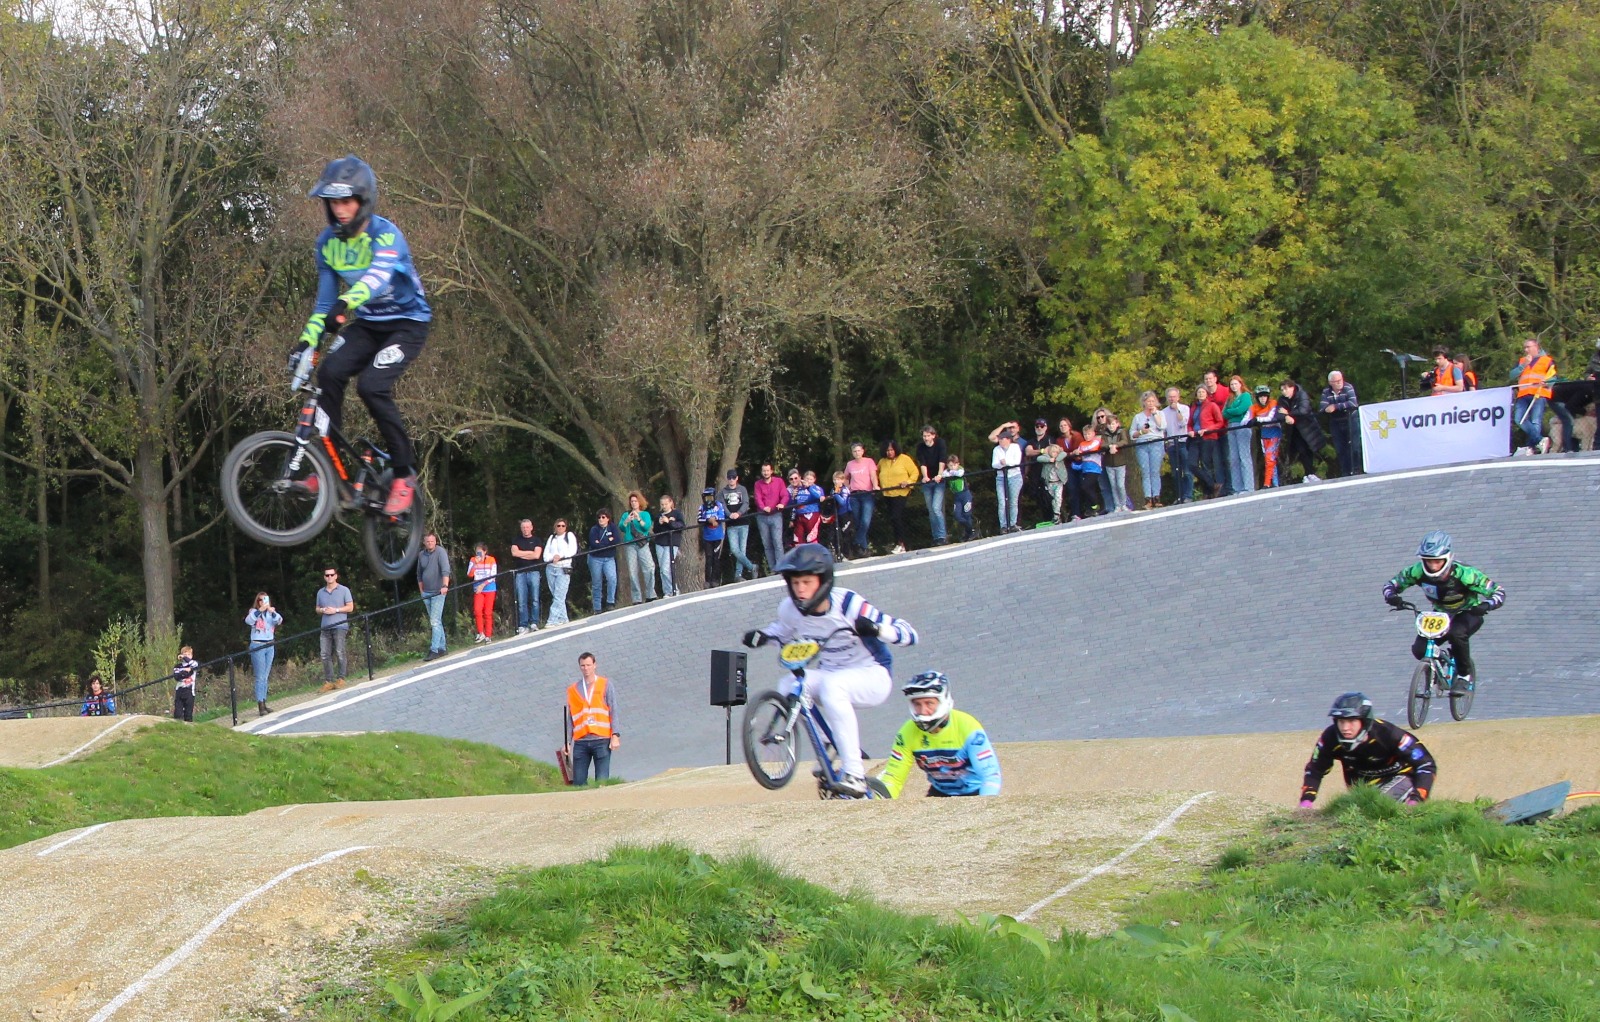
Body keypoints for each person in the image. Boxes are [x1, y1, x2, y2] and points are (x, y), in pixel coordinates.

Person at [288, 156, 430, 515]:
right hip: (367, 324)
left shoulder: (386, 234)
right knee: (330, 373)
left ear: (363, 200)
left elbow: (375, 278)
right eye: (334, 202)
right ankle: (330, 469)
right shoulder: (326, 244)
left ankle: (404, 473)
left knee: (372, 386)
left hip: (406, 324)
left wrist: (345, 304)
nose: (340, 209)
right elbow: (323, 304)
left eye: (346, 201)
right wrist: (308, 340)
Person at [742, 543, 918, 796]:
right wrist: (762, 636)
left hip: (873, 674)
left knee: (834, 688)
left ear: (823, 581)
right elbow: (780, 632)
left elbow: (909, 633)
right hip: (831, 675)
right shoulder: (790, 610)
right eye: (795, 583)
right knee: (788, 685)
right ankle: (830, 744)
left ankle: (855, 773)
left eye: (806, 582)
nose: (800, 590)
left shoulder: (849, 604)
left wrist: (879, 630)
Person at [1382, 530, 1505, 691]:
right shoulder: (1417, 571)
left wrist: (1486, 605)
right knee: (1419, 649)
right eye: (1428, 561)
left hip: (1469, 612)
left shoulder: (1465, 574)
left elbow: (1499, 592)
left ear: (1447, 558)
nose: (1433, 566)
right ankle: (1439, 665)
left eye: (1437, 561)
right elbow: (1390, 585)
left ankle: (1464, 676)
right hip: (1441, 615)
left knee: (1457, 633)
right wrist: (1392, 596)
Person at [878, 672, 1002, 798]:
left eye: (929, 703)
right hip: (940, 793)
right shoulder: (906, 733)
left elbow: (990, 775)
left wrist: (985, 806)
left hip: (975, 792)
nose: (923, 711)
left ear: (944, 701)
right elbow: (893, 778)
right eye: (917, 704)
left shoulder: (968, 727)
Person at [1300, 693, 1435, 807]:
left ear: (1364, 721)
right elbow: (1315, 769)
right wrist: (1306, 801)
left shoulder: (1388, 734)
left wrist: (1416, 799)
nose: (1345, 728)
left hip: (1399, 779)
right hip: (1362, 790)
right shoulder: (1330, 737)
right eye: (1341, 721)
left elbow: (1426, 764)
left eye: (1351, 721)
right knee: (1354, 811)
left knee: (1376, 805)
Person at [564, 652, 620, 785]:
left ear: (595, 665)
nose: (586, 668)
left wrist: (615, 735)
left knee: (601, 781)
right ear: (579, 667)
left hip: (601, 739)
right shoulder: (573, 690)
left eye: (588, 665)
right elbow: (571, 718)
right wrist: (568, 742)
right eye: (583, 666)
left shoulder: (605, 684)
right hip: (581, 741)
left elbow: (613, 710)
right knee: (578, 782)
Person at [1511, 336, 1558, 454]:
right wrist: (1523, 366)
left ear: (1536, 347)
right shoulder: (1522, 361)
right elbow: (1512, 375)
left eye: (1528, 347)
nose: (1526, 350)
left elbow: (1553, 377)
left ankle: (1531, 447)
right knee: (1519, 419)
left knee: (1535, 421)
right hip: (1523, 393)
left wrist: (1547, 383)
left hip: (1539, 393)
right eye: (1525, 347)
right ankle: (1540, 440)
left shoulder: (1547, 360)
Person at [1278, 379, 1325, 483]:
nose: (1283, 392)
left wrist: (1289, 413)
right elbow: (1279, 413)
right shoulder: (1282, 399)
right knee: (1301, 450)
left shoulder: (1302, 395)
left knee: (1309, 449)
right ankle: (1309, 474)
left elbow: (1303, 410)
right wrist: (1286, 416)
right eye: (1282, 390)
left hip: (1307, 427)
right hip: (1294, 430)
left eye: (1285, 389)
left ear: (1292, 387)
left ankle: (1310, 473)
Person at [245, 592, 283, 715]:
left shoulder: (270, 614)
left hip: (269, 644)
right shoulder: (254, 612)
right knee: (260, 676)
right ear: (258, 602)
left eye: (265, 600)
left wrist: (272, 612)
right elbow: (249, 621)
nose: (263, 602)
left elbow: (279, 620)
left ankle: (264, 702)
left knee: (265, 676)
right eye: (260, 600)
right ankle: (260, 704)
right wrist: (259, 610)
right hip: (258, 645)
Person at [877, 440, 918, 553]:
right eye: (887, 450)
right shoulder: (882, 461)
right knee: (893, 519)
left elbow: (914, 472)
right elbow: (876, 473)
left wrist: (908, 481)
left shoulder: (904, 459)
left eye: (891, 450)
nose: (889, 452)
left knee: (896, 516)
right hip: (887, 493)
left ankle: (901, 543)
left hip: (901, 492)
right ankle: (900, 543)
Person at [417, 532, 453, 660]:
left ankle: (434, 649)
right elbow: (419, 574)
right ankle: (442, 647)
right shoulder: (421, 555)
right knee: (437, 621)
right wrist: (421, 591)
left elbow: (445, 570)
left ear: (435, 541)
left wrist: (444, 586)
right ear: (424, 542)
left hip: (438, 592)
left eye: (432, 541)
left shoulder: (440, 552)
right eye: (428, 541)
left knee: (434, 621)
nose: (430, 543)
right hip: (426, 592)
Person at [317, 567, 353, 691]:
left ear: (336, 576)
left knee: (339, 651)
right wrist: (322, 610)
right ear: (324, 577)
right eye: (327, 575)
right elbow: (317, 608)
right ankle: (329, 681)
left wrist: (336, 610)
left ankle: (341, 678)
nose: (329, 577)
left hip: (340, 626)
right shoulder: (320, 592)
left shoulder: (344, 590)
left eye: (332, 575)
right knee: (324, 654)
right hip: (325, 626)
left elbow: (350, 607)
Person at [618, 491, 657, 604]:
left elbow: (646, 527)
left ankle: (650, 594)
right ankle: (636, 598)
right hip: (630, 544)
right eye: (632, 501)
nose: (634, 503)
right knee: (632, 571)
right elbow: (622, 528)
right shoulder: (626, 515)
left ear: (640, 502)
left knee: (649, 568)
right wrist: (626, 521)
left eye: (635, 501)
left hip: (642, 544)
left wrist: (639, 518)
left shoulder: (645, 514)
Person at [1130, 391, 1167, 509]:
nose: (1150, 404)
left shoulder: (1160, 413)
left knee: (1155, 471)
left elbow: (1162, 426)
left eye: (1152, 401)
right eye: (1148, 402)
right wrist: (1141, 432)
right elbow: (1132, 434)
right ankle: (1148, 499)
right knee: (1145, 472)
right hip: (1142, 444)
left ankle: (1157, 497)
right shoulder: (1138, 417)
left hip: (1156, 442)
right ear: (1144, 403)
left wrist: (1155, 413)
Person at [720, 468, 758, 582]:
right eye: (729, 478)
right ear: (727, 479)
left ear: (737, 478)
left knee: (742, 549)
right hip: (731, 524)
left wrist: (739, 513)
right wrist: (729, 514)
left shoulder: (742, 489)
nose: (731, 480)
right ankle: (752, 567)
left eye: (733, 477)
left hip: (743, 523)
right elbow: (722, 505)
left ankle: (738, 574)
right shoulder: (722, 492)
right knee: (734, 549)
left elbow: (746, 503)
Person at [753, 461, 790, 572]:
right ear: (761, 472)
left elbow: (785, 495)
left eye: (768, 470)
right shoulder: (758, 484)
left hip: (776, 515)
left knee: (777, 541)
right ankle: (773, 568)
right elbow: (757, 498)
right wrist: (763, 507)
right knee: (767, 543)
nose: (766, 473)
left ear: (771, 471)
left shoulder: (779, 482)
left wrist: (782, 504)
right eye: (764, 471)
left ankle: (781, 566)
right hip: (762, 517)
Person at [1321, 371, 1360, 477]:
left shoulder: (1348, 387)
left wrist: (1336, 407)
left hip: (1350, 419)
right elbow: (1323, 407)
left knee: (1354, 447)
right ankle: (1345, 472)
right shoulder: (1326, 392)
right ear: (1330, 382)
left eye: (1340, 380)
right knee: (1340, 448)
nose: (1339, 383)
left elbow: (1353, 403)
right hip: (1336, 422)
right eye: (1336, 381)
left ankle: (1356, 470)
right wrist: (1332, 408)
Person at [915, 425, 950, 545]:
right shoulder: (920, 447)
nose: (926, 438)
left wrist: (940, 475)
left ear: (933, 435)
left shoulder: (940, 443)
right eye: (924, 436)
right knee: (931, 510)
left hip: (938, 480)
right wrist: (925, 476)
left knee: (936, 507)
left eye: (928, 435)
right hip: (928, 481)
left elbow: (942, 459)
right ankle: (936, 537)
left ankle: (942, 536)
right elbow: (922, 462)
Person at [843, 443, 879, 557]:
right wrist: (848, 487)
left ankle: (856, 542)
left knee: (865, 521)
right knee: (858, 522)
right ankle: (863, 549)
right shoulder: (850, 464)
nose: (857, 453)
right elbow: (845, 477)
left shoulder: (869, 461)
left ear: (862, 451)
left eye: (859, 451)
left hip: (867, 493)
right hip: (854, 495)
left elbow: (873, 475)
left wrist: (875, 485)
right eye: (854, 451)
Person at [508, 519, 543, 634]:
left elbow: (537, 555)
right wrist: (529, 553)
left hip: (534, 572)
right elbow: (514, 553)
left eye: (527, 527)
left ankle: (534, 623)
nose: (525, 529)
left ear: (532, 527)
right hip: (520, 573)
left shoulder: (537, 540)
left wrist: (521, 553)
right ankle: (523, 625)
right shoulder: (516, 540)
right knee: (522, 600)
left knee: (535, 599)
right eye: (523, 527)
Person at [1223, 376, 1255, 494]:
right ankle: (1237, 488)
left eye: (1235, 384)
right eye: (1232, 384)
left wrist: (1232, 411)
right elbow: (1224, 413)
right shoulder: (1230, 398)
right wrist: (1232, 411)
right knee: (1234, 458)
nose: (1234, 386)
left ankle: (1248, 487)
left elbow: (1241, 410)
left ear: (1240, 384)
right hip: (1231, 427)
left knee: (1244, 456)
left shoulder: (1246, 396)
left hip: (1242, 426)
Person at [1249, 385, 1285, 487]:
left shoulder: (1273, 403)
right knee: (1269, 460)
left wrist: (1257, 420)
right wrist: (1250, 421)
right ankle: (1276, 484)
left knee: (1270, 458)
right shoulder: (1254, 407)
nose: (1263, 398)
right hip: (1264, 435)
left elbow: (1270, 417)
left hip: (1275, 433)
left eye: (1265, 396)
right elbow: (1246, 419)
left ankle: (1267, 483)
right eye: (1260, 396)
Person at [543, 519, 578, 625]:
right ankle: (563, 618)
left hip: (563, 568)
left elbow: (572, 550)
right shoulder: (551, 538)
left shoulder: (569, 536)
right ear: (555, 527)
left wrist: (560, 556)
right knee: (556, 595)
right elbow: (545, 554)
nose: (561, 527)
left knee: (559, 594)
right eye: (558, 526)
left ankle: (552, 620)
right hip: (551, 568)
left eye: (563, 526)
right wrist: (552, 558)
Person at [1190, 384, 1222, 497]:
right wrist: (1190, 431)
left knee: (1205, 464)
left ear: (1207, 393)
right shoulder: (1193, 407)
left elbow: (1219, 422)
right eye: (1199, 392)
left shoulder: (1212, 405)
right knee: (1192, 464)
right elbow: (1190, 424)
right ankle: (1213, 485)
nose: (1201, 394)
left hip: (1208, 437)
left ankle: (1208, 492)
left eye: (1203, 392)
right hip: (1195, 438)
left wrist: (1207, 429)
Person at [1097, 408, 1132, 513]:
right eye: (1109, 424)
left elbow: (1125, 441)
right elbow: (1102, 444)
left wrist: (1115, 445)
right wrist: (1110, 446)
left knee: (1120, 485)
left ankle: (1124, 504)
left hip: (1120, 462)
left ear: (1117, 424)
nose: (1111, 426)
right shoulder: (1104, 434)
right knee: (1113, 485)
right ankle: (1117, 505)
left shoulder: (1121, 431)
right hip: (1109, 463)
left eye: (1113, 424)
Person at [990, 427, 1024, 533]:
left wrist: (1005, 462)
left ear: (1008, 439)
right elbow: (994, 464)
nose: (1000, 441)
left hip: (1015, 476)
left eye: (1002, 439)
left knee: (1013, 501)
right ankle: (1003, 526)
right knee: (1002, 502)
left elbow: (1016, 462)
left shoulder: (1015, 447)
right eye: (999, 439)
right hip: (1001, 477)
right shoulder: (996, 450)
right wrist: (1002, 463)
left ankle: (1012, 523)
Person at [587, 510, 620, 614]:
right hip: (595, 558)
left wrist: (602, 543)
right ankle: (597, 607)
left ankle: (610, 602)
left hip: (609, 558)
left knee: (612, 578)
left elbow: (617, 540)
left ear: (608, 518)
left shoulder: (612, 527)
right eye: (599, 517)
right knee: (597, 582)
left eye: (603, 517)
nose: (601, 519)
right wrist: (608, 541)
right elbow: (594, 543)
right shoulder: (594, 529)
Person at [1022, 418, 1055, 521]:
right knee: (1039, 496)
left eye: (1042, 426)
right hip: (1035, 472)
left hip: (1048, 470)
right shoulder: (1031, 441)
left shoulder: (1050, 439)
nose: (1039, 428)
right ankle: (1046, 519)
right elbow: (1028, 452)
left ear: (1046, 427)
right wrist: (1042, 450)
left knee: (1051, 495)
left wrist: (1038, 451)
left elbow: (1051, 451)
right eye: (1037, 426)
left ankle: (1056, 516)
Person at [652, 494, 684, 597]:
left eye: (666, 504)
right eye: (662, 504)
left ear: (670, 503)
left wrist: (669, 521)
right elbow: (655, 530)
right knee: (662, 569)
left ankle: (674, 589)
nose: (664, 506)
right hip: (660, 543)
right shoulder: (658, 515)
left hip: (671, 543)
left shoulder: (677, 513)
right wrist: (659, 523)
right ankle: (667, 591)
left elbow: (681, 526)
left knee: (666, 567)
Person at [467, 542, 499, 643]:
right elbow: (469, 574)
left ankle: (488, 635)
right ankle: (481, 632)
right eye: (477, 552)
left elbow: (493, 576)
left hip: (489, 588)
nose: (478, 555)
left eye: (480, 552)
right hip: (478, 588)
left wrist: (482, 585)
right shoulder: (473, 560)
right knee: (477, 610)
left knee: (488, 612)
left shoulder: (491, 560)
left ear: (485, 552)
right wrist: (475, 564)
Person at [697, 487, 728, 588]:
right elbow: (699, 519)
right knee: (708, 558)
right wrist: (708, 520)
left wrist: (715, 519)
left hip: (717, 536)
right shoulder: (701, 507)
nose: (708, 500)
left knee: (716, 558)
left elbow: (722, 517)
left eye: (710, 497)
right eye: (706, 498)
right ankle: (707, 580)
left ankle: (715, 580)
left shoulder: (719, 506)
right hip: (707, 537)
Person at [942, 454, 974, 540]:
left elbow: (960, 474)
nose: (952, 467)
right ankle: (970, 529)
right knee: (957, 515)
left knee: (967, 514)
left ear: (958, 464)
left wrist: (952, 472)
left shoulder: (960, 469)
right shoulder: (947, 471)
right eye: (950, 465)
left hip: (965, 494)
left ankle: (969, 533)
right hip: (957, 496)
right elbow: (944, 474)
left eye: (954, 465)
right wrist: (950, 472)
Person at [825, 471, 855, 558]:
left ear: (842, 480)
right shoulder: (833, 489)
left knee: (846, 534)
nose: (836, 481)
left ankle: (848, 554)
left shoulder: (845, 490)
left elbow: (842, 502)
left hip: (846, 515)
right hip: (837, 515)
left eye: (838, 479)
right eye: (834, 479)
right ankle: (839, 553)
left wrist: (836, 495)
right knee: (836, 535)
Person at [792, 470, 825, 545]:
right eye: (807, 479)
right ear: (803, 479)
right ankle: (802, 556)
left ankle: (816, 555)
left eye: (811, 479)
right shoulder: (799, 488)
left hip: (812, 514)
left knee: (811, 538)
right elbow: (794, 503)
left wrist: (809, 487)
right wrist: (793, 497)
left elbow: (818, 497)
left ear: (814, 480)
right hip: (800, 516)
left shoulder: (817, 488)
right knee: (797, 539)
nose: (808, 481)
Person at [172, 645, 199, 722]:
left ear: (192, 655)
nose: (186, 656)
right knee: (178, 713)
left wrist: (185, 658)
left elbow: (194, 666)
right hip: (179, 691)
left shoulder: (194, 663)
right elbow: (177, 677)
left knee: (188, 714)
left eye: (188, 654)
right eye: (185, 654)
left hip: (190, 691)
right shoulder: (178, 666)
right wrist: (186, 671)